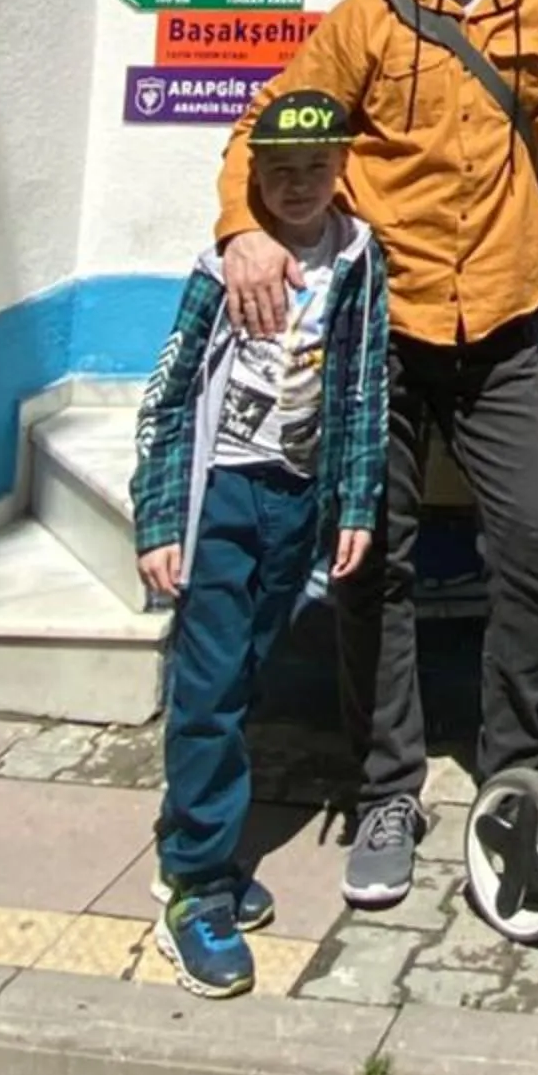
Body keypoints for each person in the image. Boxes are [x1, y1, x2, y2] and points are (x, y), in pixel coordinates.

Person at [213, 0, 538, 910]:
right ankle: (389, 784)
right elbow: (269, 127)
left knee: (536, 545)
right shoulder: (363, 20)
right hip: (381, 334)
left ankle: (515, 766)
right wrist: (242, 233)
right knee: (370, 561)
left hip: (500, 324)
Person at [132, 88, 389, 996]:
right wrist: (161, 519)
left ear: (341, 170)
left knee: (245, 674)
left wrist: (355, 500)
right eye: (280, 171)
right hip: (224, 495)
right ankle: (195, 886)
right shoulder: (222, 269)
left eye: (317, 168)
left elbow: (361, 390)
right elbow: (167, 400)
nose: (299, 185)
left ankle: (193, 837)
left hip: (299, 497)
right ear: (255, 176)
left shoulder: (360, 259)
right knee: (206, 687)